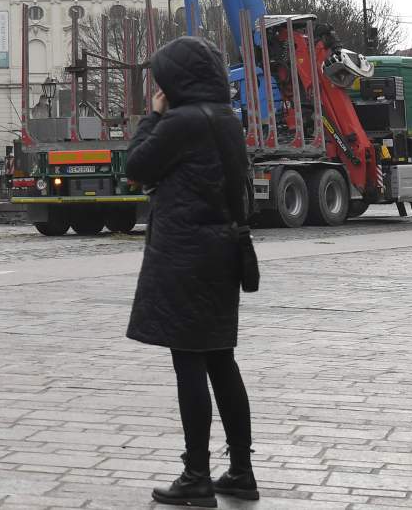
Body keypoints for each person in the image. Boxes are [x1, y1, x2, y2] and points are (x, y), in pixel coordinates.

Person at [125, 35, 257, 506]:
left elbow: (136, 166)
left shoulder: (180, 121)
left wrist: (154, 113)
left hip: (185, 255)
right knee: (222, 360)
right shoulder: (226, 118)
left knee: (189, 363)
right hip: (221, 253)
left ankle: (196, 475)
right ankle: (241, 469)